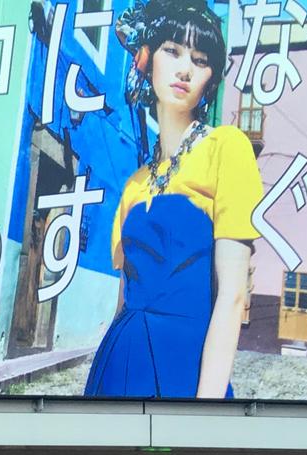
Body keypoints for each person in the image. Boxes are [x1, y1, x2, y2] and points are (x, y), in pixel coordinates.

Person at [84, 0, 253, 398]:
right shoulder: (134, 183)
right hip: (121, 361)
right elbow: (123, 299)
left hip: (189, 365)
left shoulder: (226, 147)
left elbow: (232, 295)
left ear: (210, 78)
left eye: (199, 60)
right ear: (147, 60)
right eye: (172, 51)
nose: (184, 69)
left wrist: (205, 410)